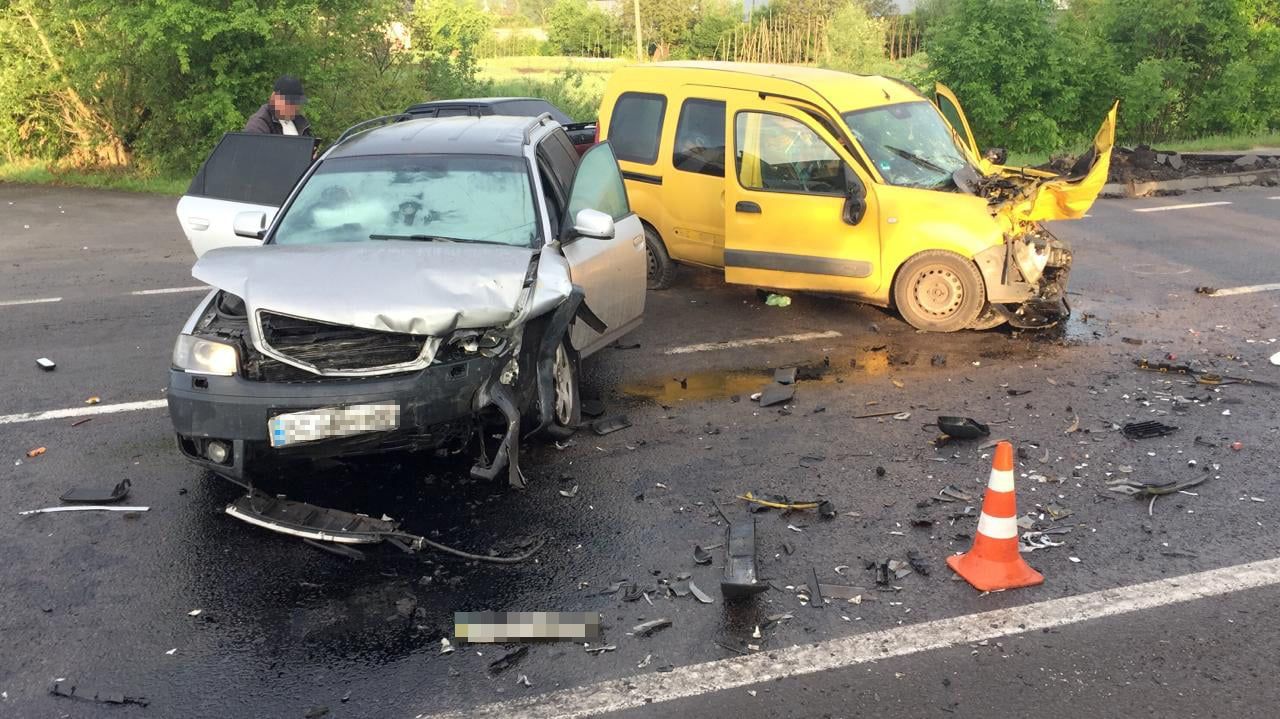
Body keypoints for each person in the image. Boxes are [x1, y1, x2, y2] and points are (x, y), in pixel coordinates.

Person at [243, 75, 312, 136]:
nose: (294, 107)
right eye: (289, 102)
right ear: (274, 98)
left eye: (297, 103)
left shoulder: (301, 123)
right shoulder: (258, 124)